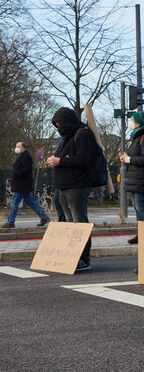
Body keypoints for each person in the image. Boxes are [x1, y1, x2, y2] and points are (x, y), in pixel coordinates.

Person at [47, 107, 97, 272]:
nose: (58, 127)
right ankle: (73, 256)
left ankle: (84, 259)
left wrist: (60, 161)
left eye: (60, 123)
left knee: (79, 223)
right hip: (64, 186)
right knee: (70, 224)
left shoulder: (83, 134)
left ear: (67, 121)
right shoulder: (67, 136)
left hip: (77, 185)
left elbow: (83, 159)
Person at [120, 111, 144, 244]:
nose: (130, 122)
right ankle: (141, 234)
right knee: (137, 207)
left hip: (142, 177)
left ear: (138, 122)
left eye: (132, 120)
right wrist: (127, 158)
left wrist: (129, 159)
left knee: (140, 206)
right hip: (136, 177)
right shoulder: (137, 136)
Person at [2, 142, 50, 228]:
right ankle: (44, 217)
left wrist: (16, 173)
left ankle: (10, 222)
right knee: (31, 202)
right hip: (23, 185)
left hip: (21, 186)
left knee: (14, 203)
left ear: (23, 148)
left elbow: (26, 170)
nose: (16, 148)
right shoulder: (22, 156)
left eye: (18, 147)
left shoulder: (26, 157)